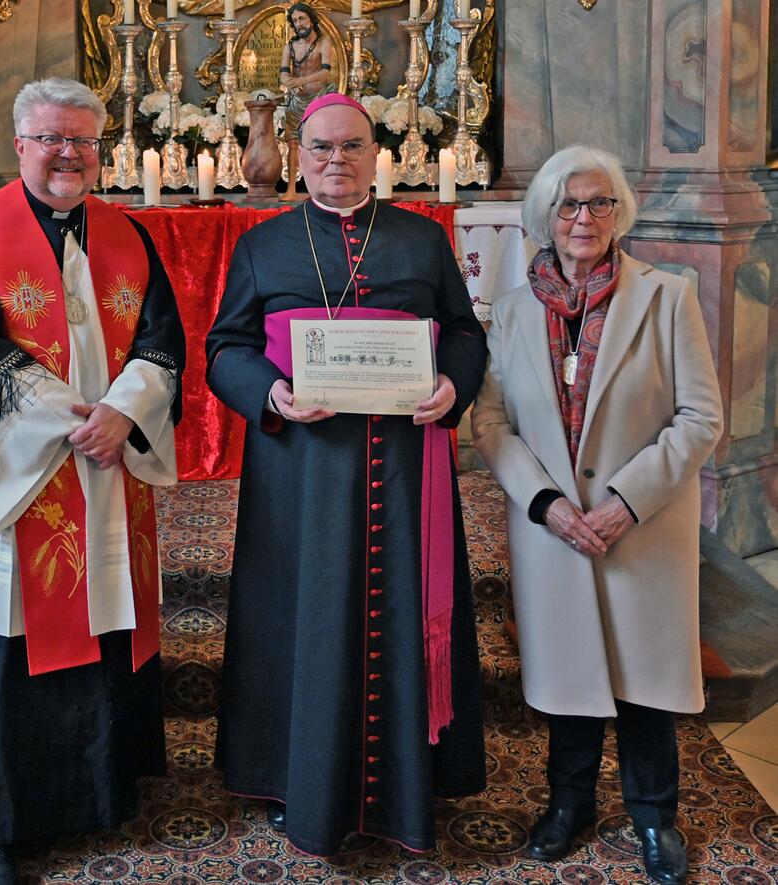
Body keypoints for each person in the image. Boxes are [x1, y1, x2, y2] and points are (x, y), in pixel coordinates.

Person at [0, 78, 185, 884]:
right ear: (20, 145)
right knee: (7, 654)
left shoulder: (129, 235)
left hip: (105, 472)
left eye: (83, 140)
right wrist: (80, 420)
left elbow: (162, 338)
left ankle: (98, 792)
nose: (68, 154)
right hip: (23, 477)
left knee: (103, 631)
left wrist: (124, 412)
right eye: (51, 138)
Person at [205, 92, 487, 856]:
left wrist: (454, 385)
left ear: (376, 153)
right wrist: (270, 392)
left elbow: (464, 331)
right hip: (302, 470)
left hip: (405, 468)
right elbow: (224, 348)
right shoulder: (264, 245)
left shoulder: (422, 240)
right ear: (299, 156)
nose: (337, 160)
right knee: (300, 613)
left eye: (352, 146)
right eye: (322, 148)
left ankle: (411, 779)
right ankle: (294, 777)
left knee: (400, 606)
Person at [471, 145, 723, 885]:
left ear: (619, 212)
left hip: (641, 527)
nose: (585, 218)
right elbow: (491, 423)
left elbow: (699, 418)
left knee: (645, 681)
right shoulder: (513, 310)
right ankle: (569, 804)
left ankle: (654, 816)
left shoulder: (665, 295)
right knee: (571, 673)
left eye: (600, 203)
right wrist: (546, 503)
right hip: (552, 528)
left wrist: (626, 500)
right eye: (570, 205)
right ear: (545, 216)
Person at [279, 3, 335, 198]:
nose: (299, 24)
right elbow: (283, 75)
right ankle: (291, 189)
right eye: (295, 21)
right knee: (293, 144)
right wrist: (292, 84)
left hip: (319, 100)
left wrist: (303, 80)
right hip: (297, 101)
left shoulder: (323, 43)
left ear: (311, 19)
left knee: (320, 144)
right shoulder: (290, 46)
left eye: (302, 18)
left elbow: (325, 72)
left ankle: (321, 189)